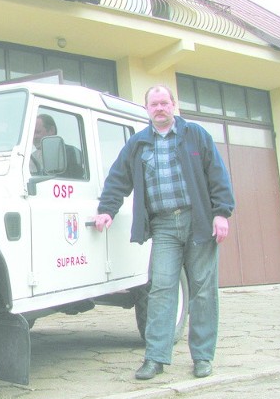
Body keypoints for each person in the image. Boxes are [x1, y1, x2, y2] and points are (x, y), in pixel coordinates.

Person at [94, 84, 235, 380]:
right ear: (147, 109)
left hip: (199, 223)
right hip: (163, 226)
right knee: (160, 289)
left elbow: (217, 174)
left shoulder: (196, 135)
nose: (159, 108)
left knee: (203, 293)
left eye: (164, 102)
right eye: (154, 104)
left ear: (174, 104)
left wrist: (221, 212)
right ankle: (155, 358)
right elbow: (118, 177)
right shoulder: (138, 143)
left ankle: (202, 358)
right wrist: (107, 209)